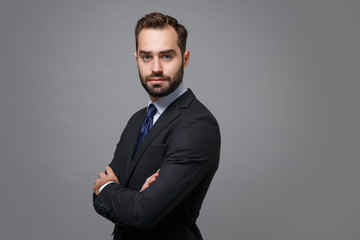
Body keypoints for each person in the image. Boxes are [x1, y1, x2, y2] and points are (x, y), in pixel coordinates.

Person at [92, 12, 221, 240]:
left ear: (186, 58)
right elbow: (100, 190)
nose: (156, 68)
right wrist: (127, 196)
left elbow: (141, 212)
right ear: (137, 59)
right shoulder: (137, 120)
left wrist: (110, 190)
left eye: (167, 56)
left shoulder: (198, 125)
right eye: (146, 57)